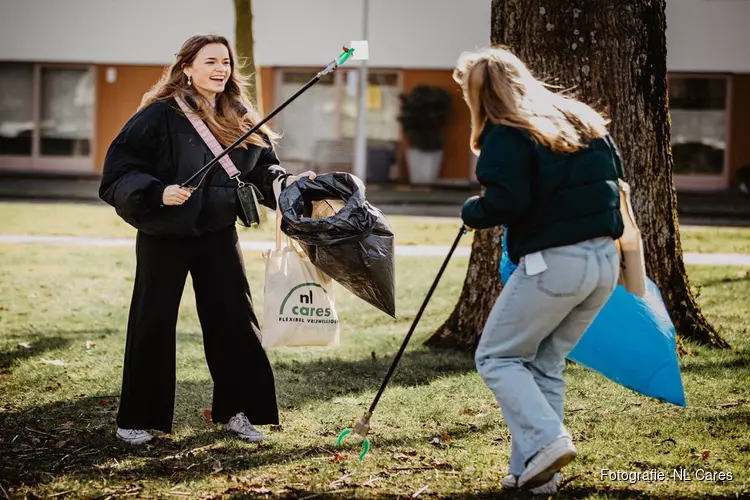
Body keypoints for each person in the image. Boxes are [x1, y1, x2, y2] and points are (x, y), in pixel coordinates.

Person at [99, 34, 316, 445]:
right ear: (187, 68)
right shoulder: (158, 115)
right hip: (164, 235)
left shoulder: (240, 113)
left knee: (235, 322)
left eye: (226, 62)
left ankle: (238, 412)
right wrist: (155, 190)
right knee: (153, 323)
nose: (221, 69)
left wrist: (286, 183)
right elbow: (118, 170)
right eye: (211, 61)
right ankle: (138, 418)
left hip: (218, 233)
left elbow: (262, 169)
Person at [453, 46, 625, 493]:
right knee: (544, 364)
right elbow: (616, 182)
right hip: (605, 261)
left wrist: (473, 210)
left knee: (497, 356)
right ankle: (533, 477)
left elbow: (507, 201)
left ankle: (548, 441)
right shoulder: (581, 119)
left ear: (479, 95)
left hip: (556, 264)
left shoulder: (506, 132)